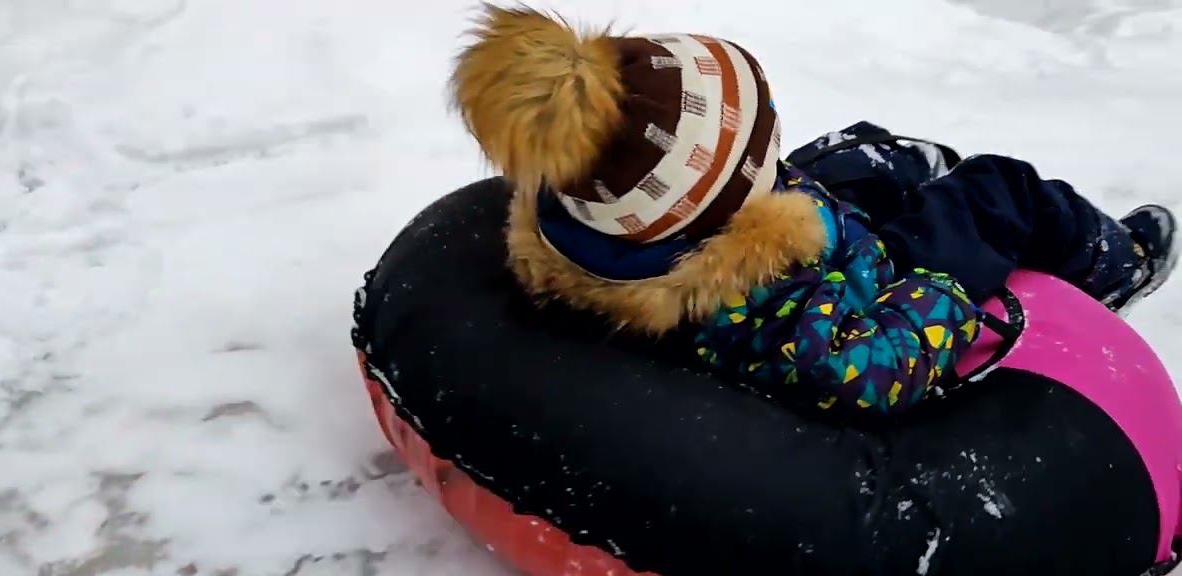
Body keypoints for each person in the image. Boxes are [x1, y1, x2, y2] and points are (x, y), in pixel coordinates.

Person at [449, 4, 1178, 417]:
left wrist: (776, 178)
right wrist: (944, 292)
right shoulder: (781, 320)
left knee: (858, 152)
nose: (776, 134)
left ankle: (901, 167)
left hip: (765, 240)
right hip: (863, 285)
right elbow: (870, 371)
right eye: (762, 138)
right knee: (998, 190)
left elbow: (711, 191)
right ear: (731, 198)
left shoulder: (601, 218)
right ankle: (1115, 265)